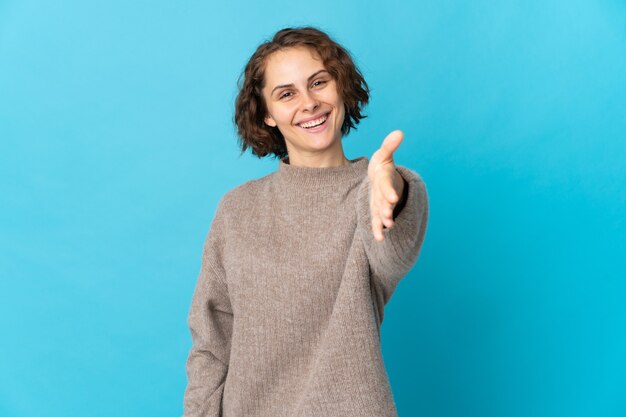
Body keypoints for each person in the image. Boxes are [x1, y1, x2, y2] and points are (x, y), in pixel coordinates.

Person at [182, 26, 429, 417]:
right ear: (267, 114)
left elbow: (392, 254)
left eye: (319, 83)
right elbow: (212, 342)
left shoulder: (372, 192)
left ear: (341, 87)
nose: (309, 102)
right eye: (287, 93)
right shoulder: (237, 209)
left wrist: (390, 185)